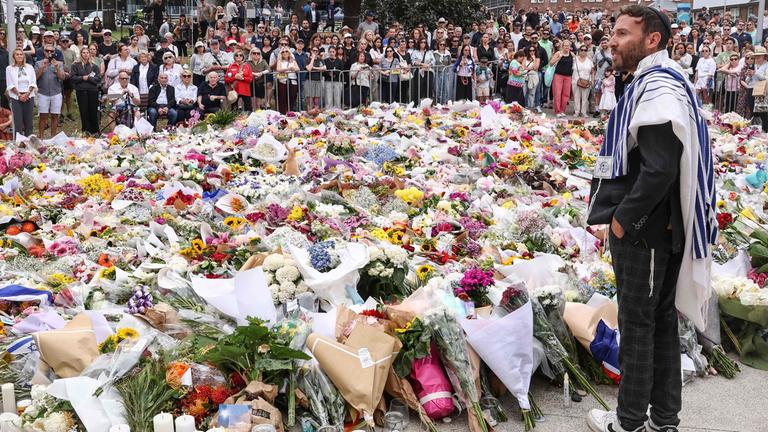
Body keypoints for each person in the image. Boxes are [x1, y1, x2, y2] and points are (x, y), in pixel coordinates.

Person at [586, 6, 717, 432]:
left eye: (623, 33)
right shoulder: (656, 82)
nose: (612, 41)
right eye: (613, 33)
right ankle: (663, 420)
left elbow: (660, 167)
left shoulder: (658, 88)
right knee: (658, 323)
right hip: (656, 232)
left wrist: (623, 220)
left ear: (652, 40)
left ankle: (628, 422)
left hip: (646, 234)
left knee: (639, 325)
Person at [35, 44, 65, 138]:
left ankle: (53, 137)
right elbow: (35, 77)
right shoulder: (38, 63)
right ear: (44, 52)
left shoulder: (59, 63)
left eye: (51, 51)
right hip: (43, 93)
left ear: (54, 52)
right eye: (47, 51)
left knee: (54, 116)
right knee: (43, 116)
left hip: (56, 92)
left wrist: (56, 68)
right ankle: (41, 137)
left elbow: (62, 77)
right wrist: (42, 67)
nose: (49, 53)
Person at [5, 48, 37, 136]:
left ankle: (29, 143)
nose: (19, 56)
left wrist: (27, 94)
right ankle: (18, 145)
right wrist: (19, 95)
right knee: (18, 123)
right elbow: (10, 84)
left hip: (29, 96)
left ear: (24, 56)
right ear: (14, 57)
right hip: (16, 97)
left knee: (29, 122)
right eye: (17, 54)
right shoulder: (9, 68)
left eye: (21, 54)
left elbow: (33, 82)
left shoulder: (29, 67)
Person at [70, 48, 102, 134]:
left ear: (89, 54)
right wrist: (82, 78)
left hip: (93, 91)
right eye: (83, 53)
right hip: (81, 91)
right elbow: (72, 78)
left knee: (93, 111)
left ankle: (95, 131)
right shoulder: (75, 65)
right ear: (81, 54)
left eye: (87, 52)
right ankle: (86, 131)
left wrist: (89, 78)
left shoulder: (94, 66)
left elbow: (98, 78)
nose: (86, 54)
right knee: (84, 111)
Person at [550, 40, 574, 117]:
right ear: (562, 46)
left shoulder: (571, 54)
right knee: (557, 93)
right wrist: (559, 58)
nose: (567, 47)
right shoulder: (558, 53)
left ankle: (562, 110)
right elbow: (551, 63)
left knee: (566, 94)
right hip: (558, 75)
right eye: (565, 45)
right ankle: (557, 111)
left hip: (568, 76)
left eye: (568, 46)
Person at [572, 44, 595, 117]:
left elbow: (592, 71)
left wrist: (593, 80)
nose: (583, 51)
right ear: (579, 51)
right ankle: (576, 111)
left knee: (585, 98)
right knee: (576, 97)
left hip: (586, 81)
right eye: (581, 50)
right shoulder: (574, 59)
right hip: (576, 80)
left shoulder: (589, 60)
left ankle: (583, 112)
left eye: (585, 50)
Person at [275, 49, 299, 113]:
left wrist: (294, 69)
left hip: (292, 81)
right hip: (283, 81)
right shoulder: (280, 61)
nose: (285, 53)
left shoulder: (293, 61)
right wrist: (288, 69)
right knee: (283, 98)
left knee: (292, 97)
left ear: (289, 53)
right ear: (281, 54)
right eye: (283, 52)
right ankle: (283, 113)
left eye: (286, 51)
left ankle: (291, 112)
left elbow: (298, 69)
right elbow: (278, 69)